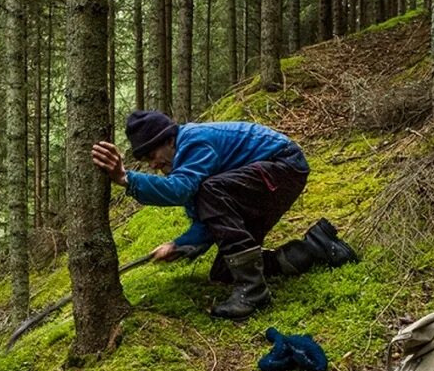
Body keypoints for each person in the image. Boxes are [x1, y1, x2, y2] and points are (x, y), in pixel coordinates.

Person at [91, 110, 357, 319]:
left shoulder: (194, 142)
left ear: (170, 140)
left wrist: (126, 178)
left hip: (283, 166)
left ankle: (252, 292)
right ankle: (315, 248)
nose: (153, 164)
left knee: (209, 190)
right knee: (224, 271)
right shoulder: (186, 161)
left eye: (153, 154)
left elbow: (181, 191)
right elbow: (208, 219)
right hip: (265, 179)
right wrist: (179, 245)